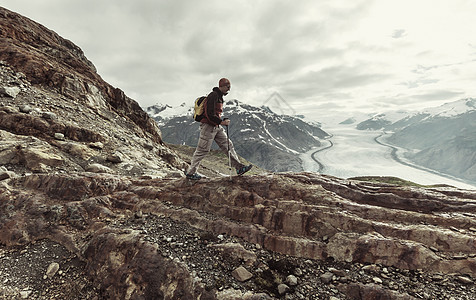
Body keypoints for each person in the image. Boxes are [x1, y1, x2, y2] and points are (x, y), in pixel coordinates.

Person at [186, 78, 252, 180]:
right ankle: (191, 173)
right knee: (202, 150)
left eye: (229, 87)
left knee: (228, 145)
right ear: (222, 85)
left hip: (216, 127)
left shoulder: (219, 96)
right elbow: (209, 114)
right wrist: (221, 122)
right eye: (227, 87)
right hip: (208, 127)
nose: (229, 90)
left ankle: (239, 168)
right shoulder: (213, 96)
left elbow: (214, 113)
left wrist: (220, 121)